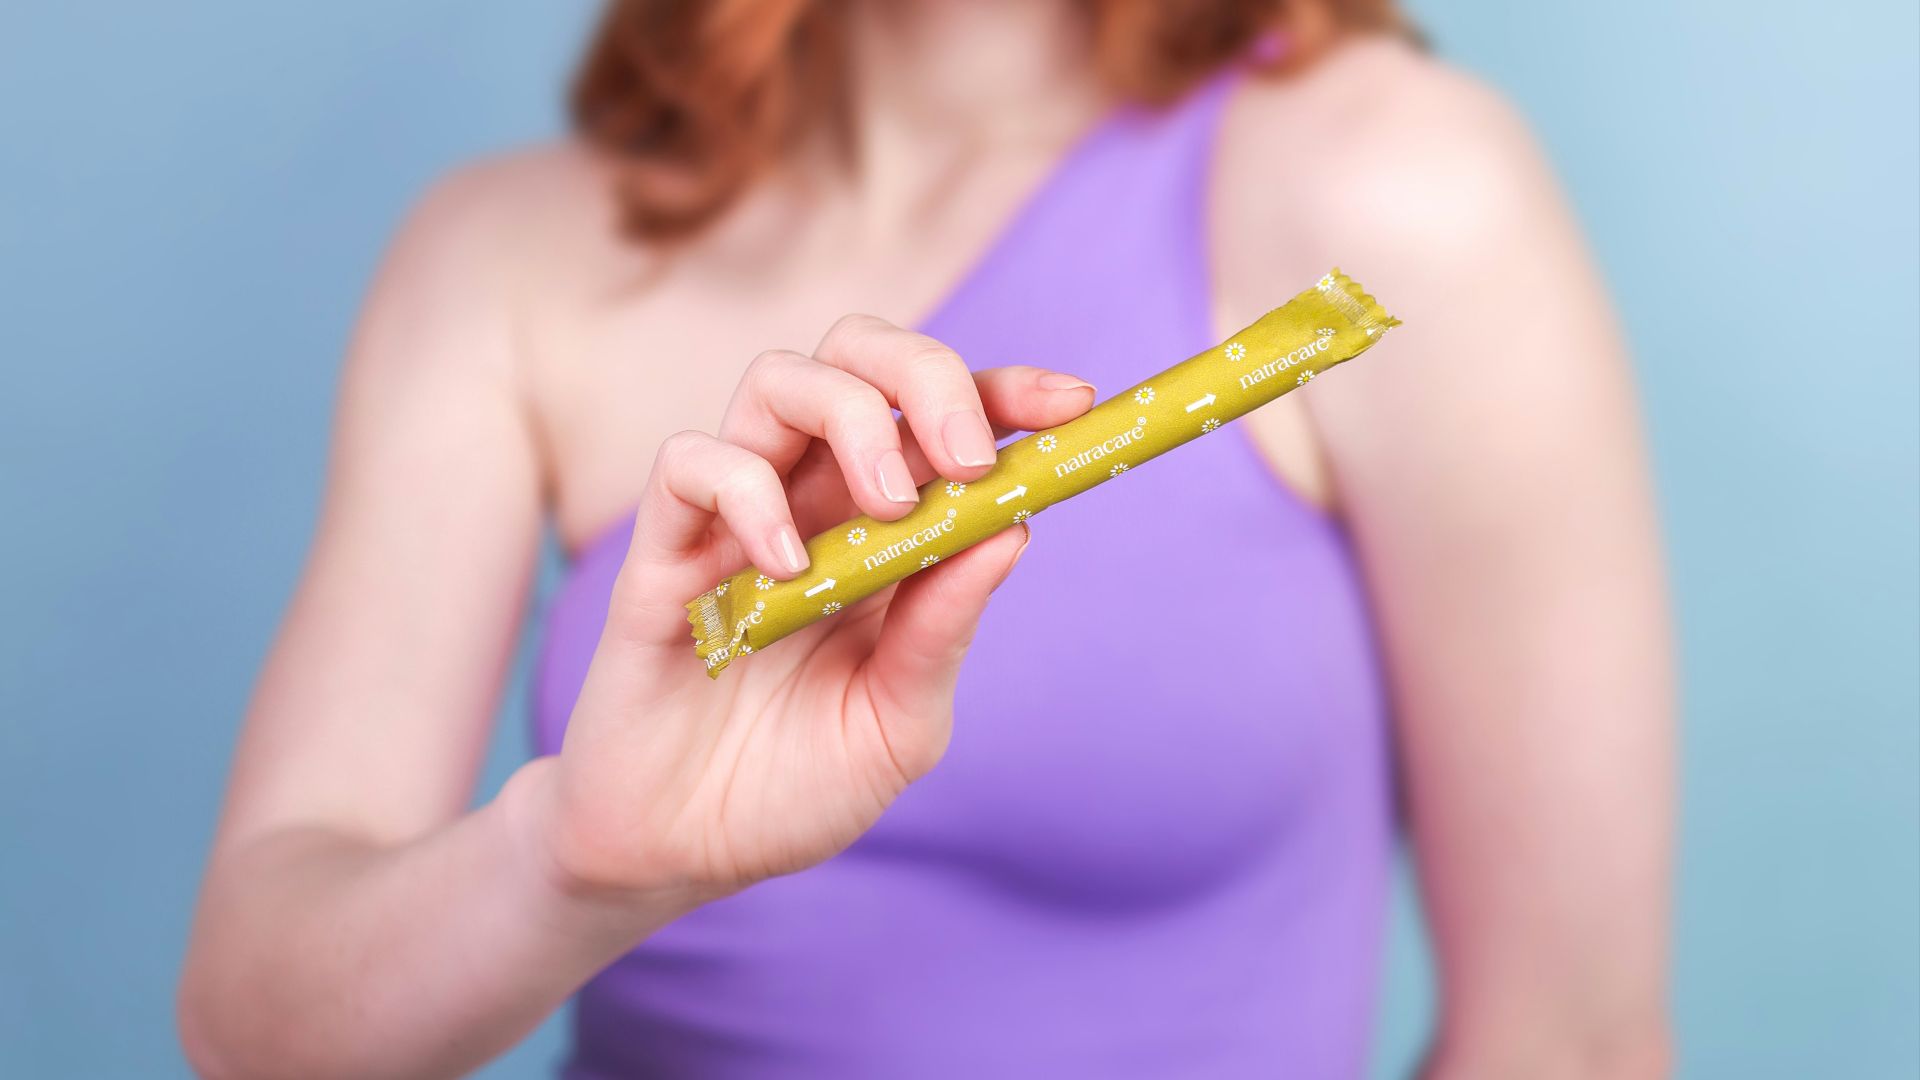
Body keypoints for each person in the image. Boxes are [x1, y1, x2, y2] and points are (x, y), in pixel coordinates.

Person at [179, 2, 1675, 1076]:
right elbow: (252, 1024)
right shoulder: (499, 255)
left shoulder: (1400, 187)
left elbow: (1574, 1040)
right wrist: (571, 861)